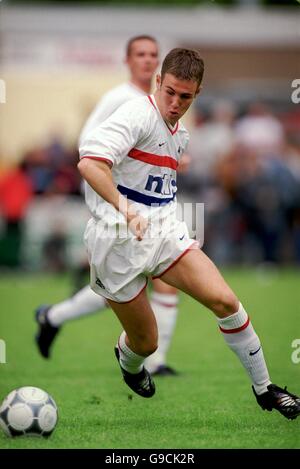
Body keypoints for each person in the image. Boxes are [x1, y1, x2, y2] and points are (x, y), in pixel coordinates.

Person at [77, 47, 300, 419]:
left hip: (164, 230)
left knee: (226, 301)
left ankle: (266, 389)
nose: (176, 103)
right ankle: (129, 363)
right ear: (158, 82)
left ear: (197, 94)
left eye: (186, 96)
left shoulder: (180, 132)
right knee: (145, 343)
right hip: (115, 241)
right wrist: (127, 209)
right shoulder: (136, 114)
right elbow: (89, 164)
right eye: (170, 92)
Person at [35, 35, 186, 376]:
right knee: (129, 287)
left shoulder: (161, 102)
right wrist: (110, 200)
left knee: (136, 287)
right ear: (127, 60)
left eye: (153, 55)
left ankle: (53, 317)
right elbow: (89, 146)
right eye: (140, 54)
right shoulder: (119, 99)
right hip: (120, 208)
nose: (147, 60)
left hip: (150, 207)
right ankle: (153, 360)